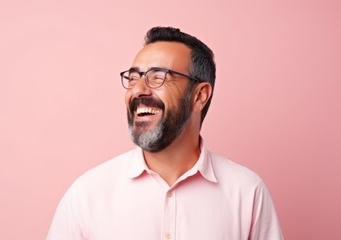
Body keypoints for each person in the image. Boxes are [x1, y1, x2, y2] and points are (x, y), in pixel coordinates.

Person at [47, 26, 284, 240]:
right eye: (133, 78)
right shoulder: (87, 194)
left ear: (199, 95)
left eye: (158, 77)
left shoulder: (247, 192)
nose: (138, 89)